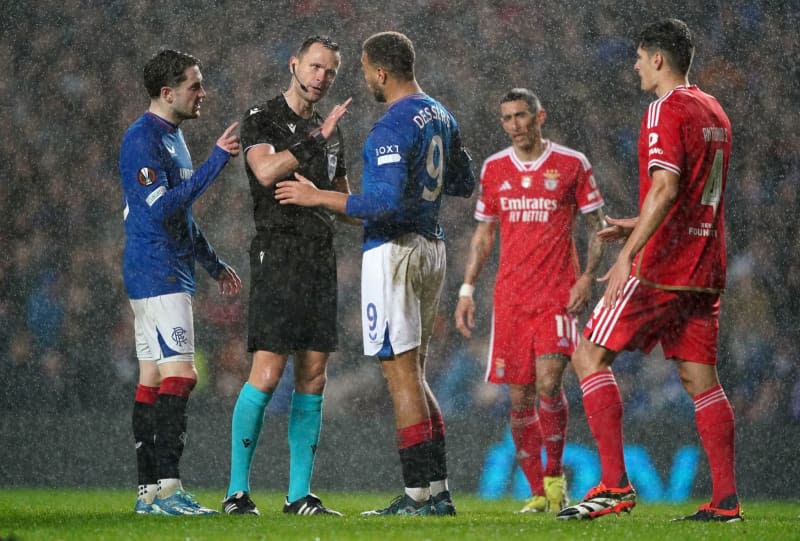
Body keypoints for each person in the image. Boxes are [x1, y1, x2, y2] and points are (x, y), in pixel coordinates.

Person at [275, 31, 475, 516]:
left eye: (364, 71)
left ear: (380, 72)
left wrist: (317, 196)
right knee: (416, 372)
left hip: (396, 251)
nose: (365, 79)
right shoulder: (441, 114)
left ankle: (415, 495)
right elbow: (465, 182)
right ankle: (437, 491)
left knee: (399, 374)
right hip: (432, 247)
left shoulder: (390, 126)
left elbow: (382, 203)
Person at [556, 18, 741, 522]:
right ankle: (726, 501)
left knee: (588, 357)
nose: (635, 66)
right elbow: (694, 194)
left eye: (639, 57)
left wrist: (628, 254)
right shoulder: (714, 110)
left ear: (658, 59)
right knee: (701, 380)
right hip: (705, 267)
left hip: (660, 266)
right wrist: (638, 221)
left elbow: (665, 187)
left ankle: (614, 486)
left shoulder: (666, 108)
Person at [454, 88, 607, 513]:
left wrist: (588, 278)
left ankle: (556, 477)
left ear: (540, 117)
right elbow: (484, 235)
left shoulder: (572, 164)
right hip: (511, 302)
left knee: (548, 383)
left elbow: (598, 226)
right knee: (519, 399)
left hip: (557, 296)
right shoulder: (494, 169)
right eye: (507, 118)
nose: (515, 125)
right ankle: (537, 492)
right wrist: (467, 289)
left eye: (522, 116)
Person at [221, 35, 352, 517]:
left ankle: (299, 495)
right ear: (295, 64)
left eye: (331, 72)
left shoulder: (335, 131)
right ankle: (237, 492)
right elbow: (266, 172)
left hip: (320, 256)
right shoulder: (263, 117)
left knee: (314, 375)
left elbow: (345, 203)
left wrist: (374, 201)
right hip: (277, 253)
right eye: (316, 67)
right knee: (269, 371)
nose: (323, 77)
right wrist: (316, 138)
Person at [119, 49, 242, 515]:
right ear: (167, 93)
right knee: (182, 374)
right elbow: (161, 209)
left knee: (152, 376)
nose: (202, 93)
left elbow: (182, 216)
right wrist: (216, 163)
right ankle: (170, 488)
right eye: (195, 85)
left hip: (166, 267)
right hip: (157, 270)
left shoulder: (173, 138)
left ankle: (148, 492)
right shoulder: (142, 139)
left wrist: (212, 263)